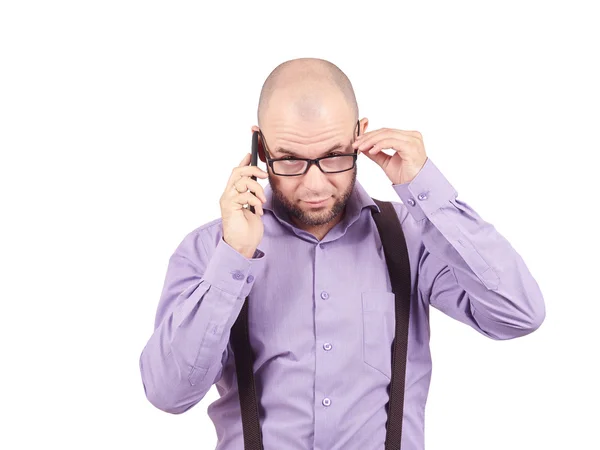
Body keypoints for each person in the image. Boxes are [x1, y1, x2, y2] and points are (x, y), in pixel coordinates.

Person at [138, 57, 546, 450]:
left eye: (334, 156)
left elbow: (517, 314)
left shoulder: (412, 236)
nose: (315, 186)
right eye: (291, 160)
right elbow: (168, 394)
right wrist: (233, 258)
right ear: (260, 146)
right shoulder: (211, 251)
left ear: (360, 134)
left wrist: (428, 192)